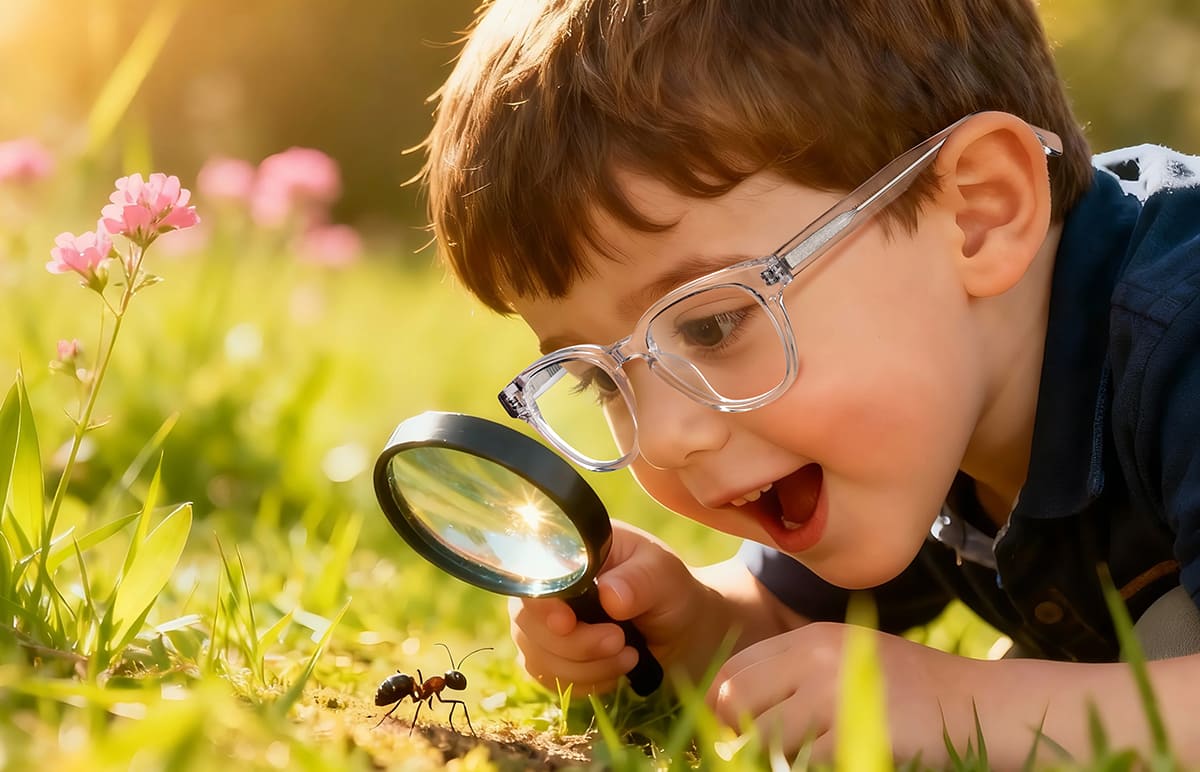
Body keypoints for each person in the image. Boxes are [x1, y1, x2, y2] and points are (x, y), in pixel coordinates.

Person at [416, 0, 1200, 764]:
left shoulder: (1182, 329)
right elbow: (791, 616)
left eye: (713, 324)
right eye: (601, 381)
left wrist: (968, 705)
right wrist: (690, 627)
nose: (663, 437)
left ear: (978, 213)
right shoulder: (923, 407)